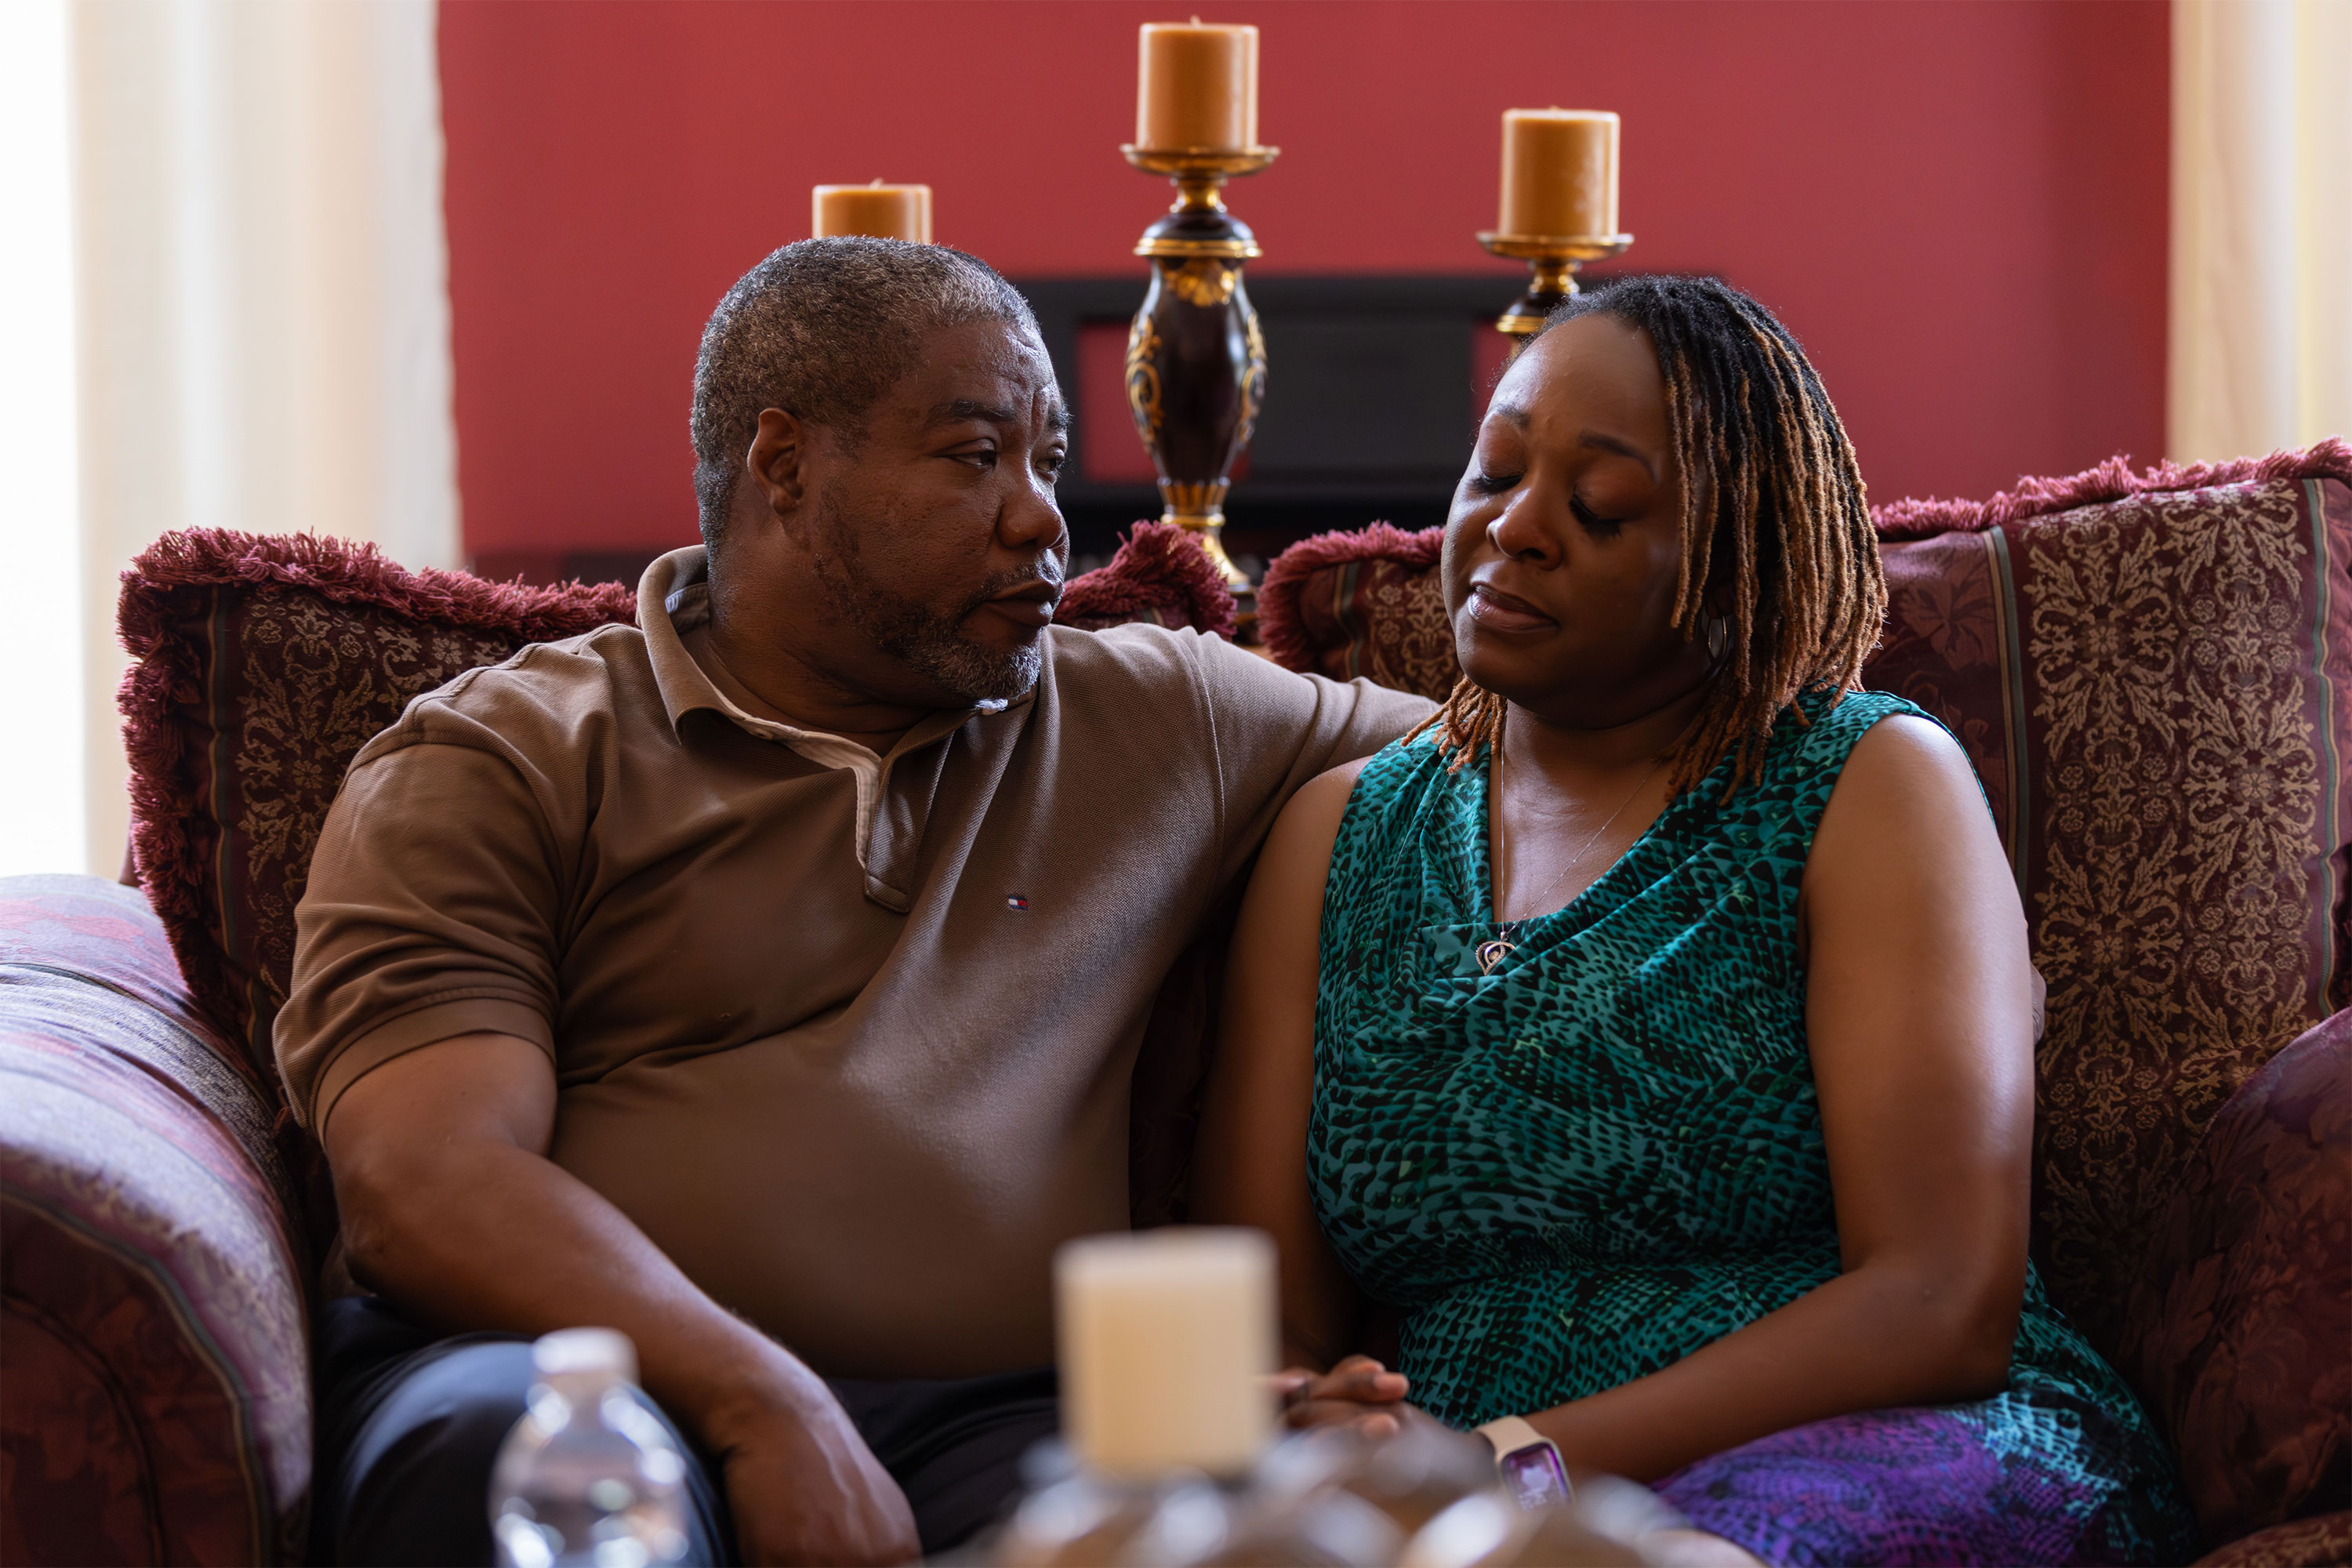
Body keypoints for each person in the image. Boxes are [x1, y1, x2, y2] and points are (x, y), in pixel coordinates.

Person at [278, 237, 1432, 1567]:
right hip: (575, 1381)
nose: (1042, 517)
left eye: (1047, 462)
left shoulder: (1158, 717)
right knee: (507, 1467)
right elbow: (426, 1179)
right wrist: (760, 1400)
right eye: (972, 455)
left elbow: (1513, 765)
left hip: (1007, 1424)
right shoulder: (507, 757)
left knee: (1272, 1537)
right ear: (785, 466)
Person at [1192, 276, 2199, 1566]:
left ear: (1740, 555)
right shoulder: (1338, 837)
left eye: (1598, 505)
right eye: (1494, 474)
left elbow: (1943, 1302)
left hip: (1895, 1441)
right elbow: (1270, 1317)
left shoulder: (1869, 785)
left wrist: (1520, 1460)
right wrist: (1324, 1424)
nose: (1515, 529)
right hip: (1472, 1501)